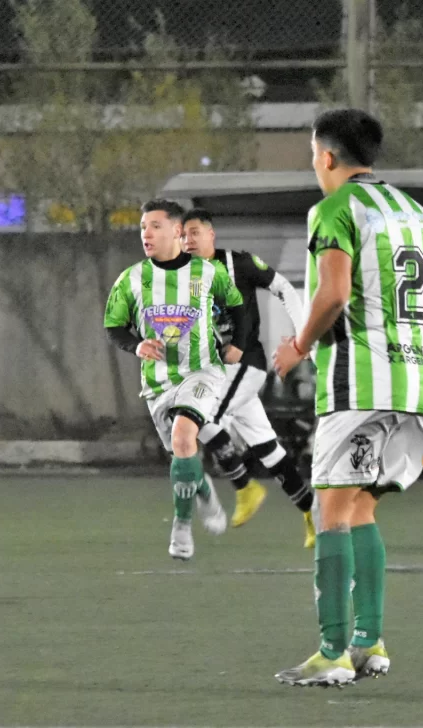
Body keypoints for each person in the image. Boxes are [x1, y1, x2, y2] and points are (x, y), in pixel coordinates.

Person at [271, 108, 423, 686]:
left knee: (329, 511)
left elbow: (331, 294)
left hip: (360, 384)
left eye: (312, 153)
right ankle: (369, 642)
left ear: (326, 156)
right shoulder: (416, 212)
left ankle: (331, 653)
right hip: (419, 384)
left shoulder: (333, 208)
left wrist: (297, 347)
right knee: (361, 508)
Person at [104, 198, 246, 560]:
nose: (146, 234)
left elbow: (238, 306)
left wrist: (239, 346)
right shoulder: (132, 279)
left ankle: (181, 526)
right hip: (157, 384)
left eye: (154, 226)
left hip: (202, 372)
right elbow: (114, 327)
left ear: (177, 231)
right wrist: (136, 347)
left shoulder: (208, 273)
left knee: (185, 437)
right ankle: (204, 492)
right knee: (183, 456)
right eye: (142, 227)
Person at [180, 208, 316, 549]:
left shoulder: (238, 263)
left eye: (195, 232)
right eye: (184, 235)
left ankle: (245, 485)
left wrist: (302, 338)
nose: (188, 240)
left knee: (200, 417)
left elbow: (283, 287)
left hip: (244, 366)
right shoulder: (184, 276)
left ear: (212, 235)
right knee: (268, 448)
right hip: (216, 373)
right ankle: (312, 513)